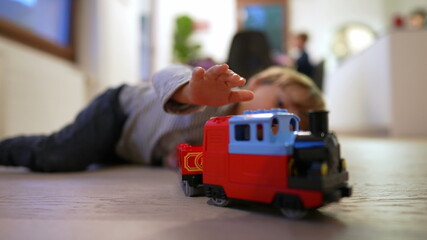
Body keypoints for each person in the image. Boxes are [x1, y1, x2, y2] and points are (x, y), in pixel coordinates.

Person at [0, 64, 324, 172]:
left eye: (294, 121)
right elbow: (165, 75)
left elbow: (184, 150)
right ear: (258, 83)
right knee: (58, 154)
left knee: (93, 159)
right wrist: (190, 91)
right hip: (119, 113)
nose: (280, 117)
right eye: (282, 102)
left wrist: (176, 159)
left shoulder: (240, 140)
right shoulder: (217, 87)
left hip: (129, 149)